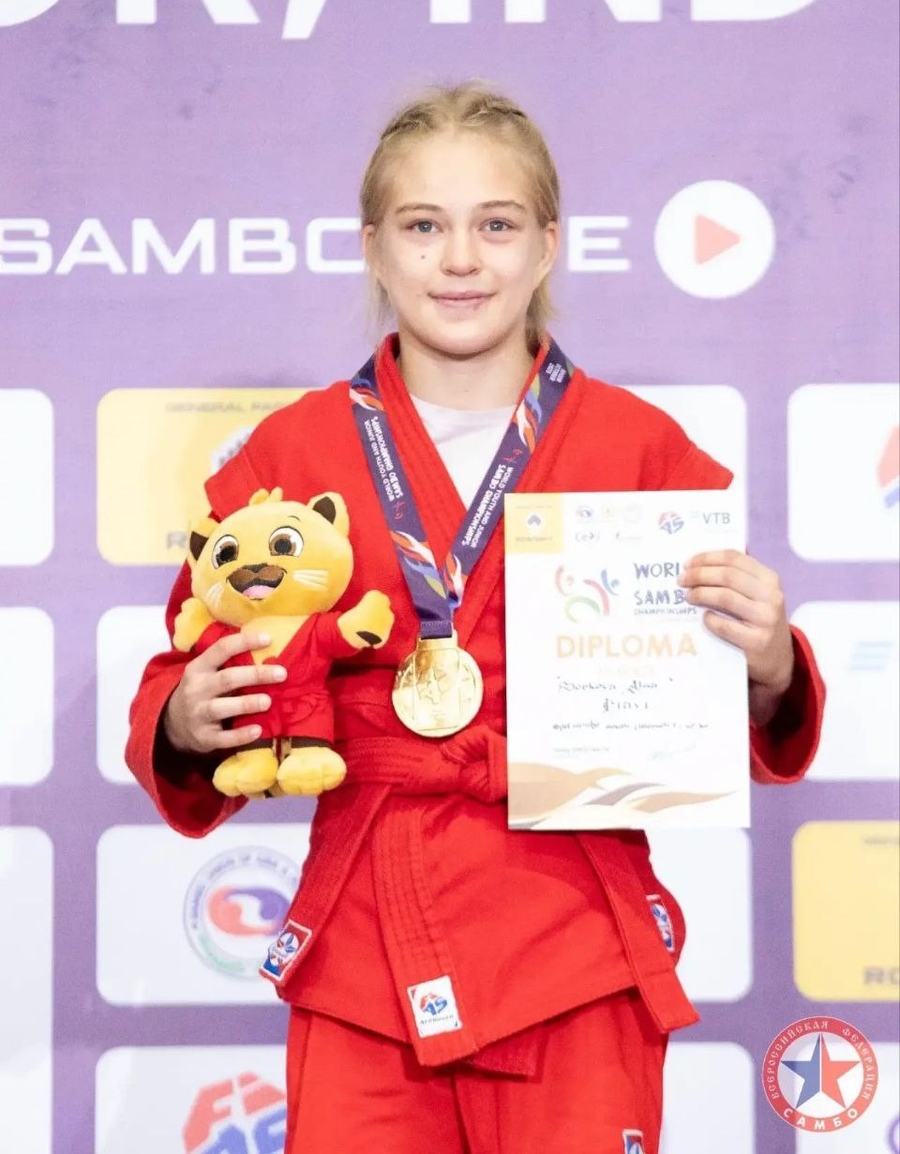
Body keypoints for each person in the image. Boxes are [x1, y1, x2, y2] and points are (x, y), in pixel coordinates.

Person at [126, 83, 825, 1154]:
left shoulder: (641, 449)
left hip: (573, 942)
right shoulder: (288, 455)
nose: (460, 260)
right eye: (424, 227)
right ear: (373, 248)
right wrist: (185, 716)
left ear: (548, 245)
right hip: (365, 949)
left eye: (496, 225)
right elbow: (181, 664)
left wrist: (770, 662)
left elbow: (723, 697)